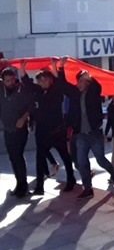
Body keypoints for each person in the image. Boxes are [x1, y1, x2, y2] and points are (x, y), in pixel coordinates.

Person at [59, 57, 114, 199]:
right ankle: (88, 189)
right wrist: (61, 67)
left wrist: (90, 77)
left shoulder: (93, 92)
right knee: (81, 161)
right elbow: (63, 85)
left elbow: (97, 86)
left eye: (82, 81)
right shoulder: (75, 94)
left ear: (87, 82)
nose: (79, 84)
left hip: (94, 133)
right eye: (78, 81)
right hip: (81, 134)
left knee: (100, 160)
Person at [19, 60, 75, 195]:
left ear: (50, 80)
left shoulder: (56, 90)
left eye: (45, 80)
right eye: (40, 81)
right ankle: (39, 187)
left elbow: (59, 81)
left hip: (57, 129)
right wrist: (22, 67)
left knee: (65, 156)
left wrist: (55, 66)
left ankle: (71, 179)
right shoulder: (38, 91)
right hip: (42, 130)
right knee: (40, 158)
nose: (43, 83)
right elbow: (27, 82)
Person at [0, 67, 34, 198]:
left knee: (18, 155)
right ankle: (18, 183)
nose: (9, 83)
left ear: (15, 78)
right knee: (12, 157)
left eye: (11, 80)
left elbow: (31, 106)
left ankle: (24, 185)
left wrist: (23, 118)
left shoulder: (21, 89)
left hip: (20, 128)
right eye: (7, 80)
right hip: (8, 128)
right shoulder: (1, 89)